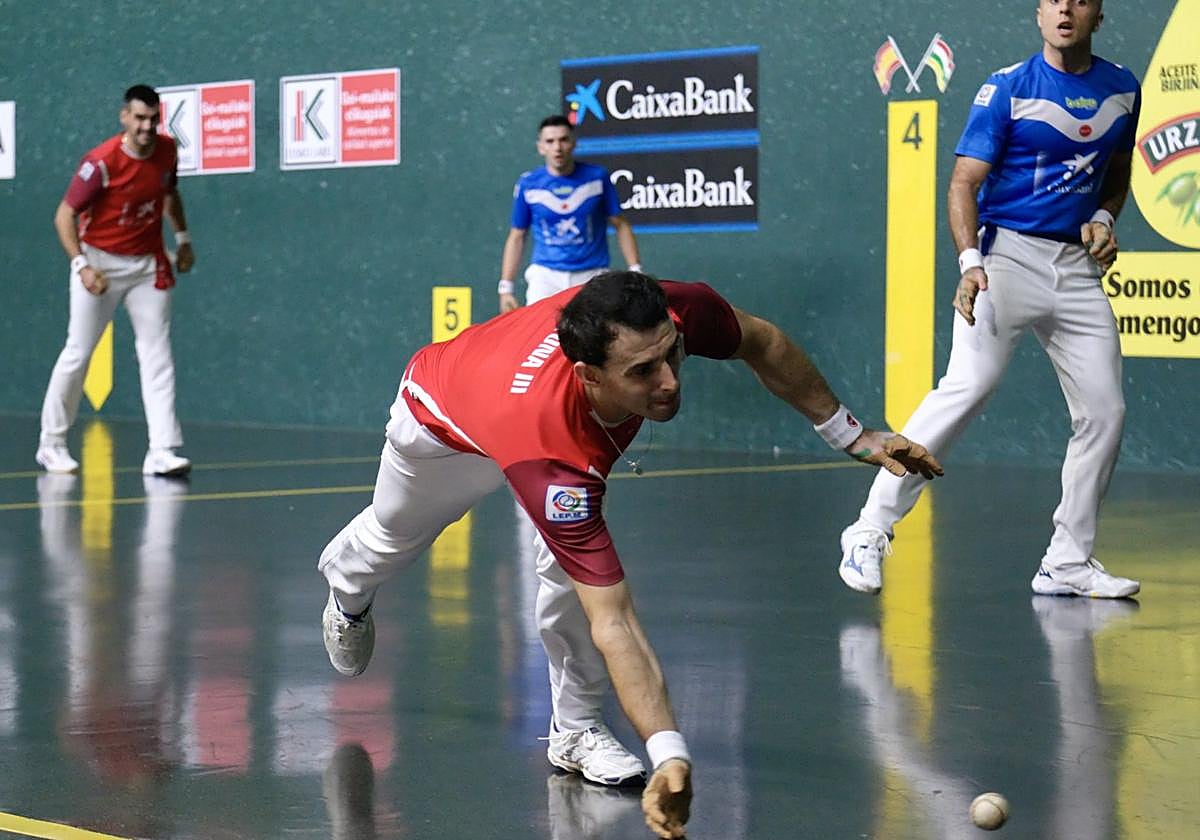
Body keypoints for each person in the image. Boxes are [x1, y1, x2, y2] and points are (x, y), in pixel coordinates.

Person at [317, 270, 942, 839]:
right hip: (441, 423)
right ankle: (347, 591)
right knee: (392, 538)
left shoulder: (668, 312)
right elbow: (615, 622)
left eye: (671, 356)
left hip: (520, 416)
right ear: (589, 375)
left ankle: (575, 729)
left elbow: (765, 342)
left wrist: (853, 437)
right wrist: (671, 752)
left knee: (566, 576)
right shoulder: (554, 450)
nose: (668, 382)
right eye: (643, 373)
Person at [839, 0, 1141, 600]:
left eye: (1079, 0)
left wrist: (1105, 217)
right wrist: (970, 264)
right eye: (1055, 0)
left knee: (1105, 412)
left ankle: (1067, 562)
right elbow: (963, 183)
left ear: (1097, 16)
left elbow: (1118, 166)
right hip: (1005, 260)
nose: (1065, 9)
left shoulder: (1123, 89)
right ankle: (869, 528)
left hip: (1077, 270)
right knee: (968, 386)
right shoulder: (1007, 87)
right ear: (1039, 13)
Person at [36, 84, 195, 477]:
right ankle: (51, 444)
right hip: (100, 266)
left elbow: (170, 195)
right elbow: (63, 216)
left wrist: (183, 239)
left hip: (146, 266)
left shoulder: (167, 151)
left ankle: (161, 450)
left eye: (153, 119)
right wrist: (82, 267)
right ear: (124, 117)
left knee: (157, 354)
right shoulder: (101, 162)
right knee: (79, 351)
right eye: (139, 118)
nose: (147, 127)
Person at [498, 115, 642, 313]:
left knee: (595, 337)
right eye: (550, 141)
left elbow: (621, 224)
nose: (557, 147)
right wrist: (506, 288)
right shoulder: (529, 184)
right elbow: (517, 235)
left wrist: (636, 270)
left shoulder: (597, 178)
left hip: (592, 275)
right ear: (541, 147)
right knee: (539, 336)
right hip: (545, 276)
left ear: (574, 143)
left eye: (563, 140)